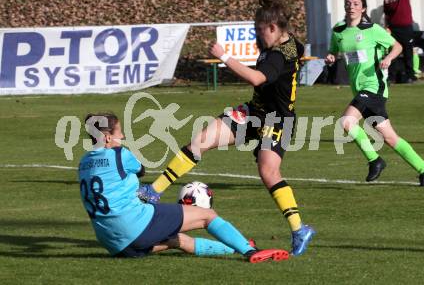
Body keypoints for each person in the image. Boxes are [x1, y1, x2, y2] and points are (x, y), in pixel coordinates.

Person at [138, 0, 315, 256]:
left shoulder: (280, 54)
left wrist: (223, 56)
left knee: (269, 173)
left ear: (273, 27)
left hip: (279, 119)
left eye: (260, 31)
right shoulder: (289, 43)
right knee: (201, 140)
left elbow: (257, 78)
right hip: (254, 111)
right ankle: (154, 190)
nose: (258, 37)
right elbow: (289, 50)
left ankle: (299, 229)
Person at [78, 112, 290, 263]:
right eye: (119, 133)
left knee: (176, 240)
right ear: (107, 137)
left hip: (114, 243)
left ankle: (236, 245)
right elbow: (140, 170)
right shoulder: (119, 154)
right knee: (207, 215)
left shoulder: (83, 163)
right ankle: (250, 251)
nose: (122, 137)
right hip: (134, 224)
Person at [325, 0, 424, 186]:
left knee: (346, 122)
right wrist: (331, 57)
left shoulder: (373, 29)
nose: (351, 6)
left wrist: (388, 58)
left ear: (363, 8)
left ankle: (375, 161)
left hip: (374, 86)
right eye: (348, 3)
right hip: (359, 89)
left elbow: (398, 46)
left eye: (356, 3)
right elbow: (333, 51)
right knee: (390, 137)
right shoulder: (338, 31)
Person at [383, 0, 416, 83]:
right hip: (393, 29)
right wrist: (387, 27)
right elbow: (387, 15)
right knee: (393, 52)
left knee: (408, 52)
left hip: (406, 28)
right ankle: (391, 77)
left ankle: (410, 76)